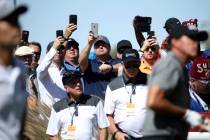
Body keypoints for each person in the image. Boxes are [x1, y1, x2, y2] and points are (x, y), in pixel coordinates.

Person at [142, 25, 209, 140]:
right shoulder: (170, 64)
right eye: (190, 40)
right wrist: (187, 114)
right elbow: (154, 101)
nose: (195, 44)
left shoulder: (180, 66)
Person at [46, 70, 109, 140]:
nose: (78, 84)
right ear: (66, 88)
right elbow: (52, 134)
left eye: (79, 81)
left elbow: (103, 128)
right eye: (73, 82)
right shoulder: (57, 107)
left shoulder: (95, 101)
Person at [104, 49, 147, 140]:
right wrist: (116, 133)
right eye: (128, 65)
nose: (132, 69)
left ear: (140, 63)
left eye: (135, 65)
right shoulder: (112, 86)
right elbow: (108, 116)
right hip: (122, 137)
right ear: (122, 64)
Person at [0, 0, 28, 139]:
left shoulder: (21, 68)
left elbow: (20, 118)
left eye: (17, 21)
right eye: (10, 21)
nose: (17, 27)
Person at [37, 24, 77, 107]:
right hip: (48, 116)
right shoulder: (44, 71)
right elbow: (41, 69)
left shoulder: (67, 71)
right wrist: (55, 47)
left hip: (66, 114)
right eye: (56, 49)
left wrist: (66, 36)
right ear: (48, 53)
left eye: (61, 49)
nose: (58, 51)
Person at [79, 32, 120, 99]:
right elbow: (80, 62)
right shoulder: (89, 63)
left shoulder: (116, 62)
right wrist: (89, 44)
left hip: (113, 103)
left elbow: (125, 66)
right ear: (94, 49)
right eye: (97, 45)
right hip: (93, 105)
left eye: (103, 44)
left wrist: (111, 68)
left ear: (109, 47)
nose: (100, 47)